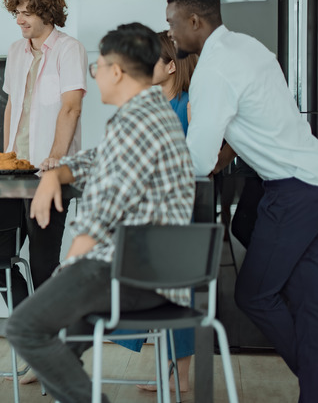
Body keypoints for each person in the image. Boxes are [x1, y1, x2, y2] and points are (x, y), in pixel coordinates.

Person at [5, 22, 195, 403]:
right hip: (152, 270)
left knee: (24, 327)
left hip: (127, 271)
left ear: (117, 71)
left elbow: (106, 210)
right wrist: (56, 172)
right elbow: (98, 159)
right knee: (62, 337)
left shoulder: (138, 123)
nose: (94, 77)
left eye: (98, 68)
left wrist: (70, 266)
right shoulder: (148, 113)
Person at [166, 0, 318, 402]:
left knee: (254, 293)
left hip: (294, 189)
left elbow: (198, 161)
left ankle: (317, 377)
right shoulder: (249, 47)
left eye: (172, 24)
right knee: (305, 292)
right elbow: (248, 126)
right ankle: (316, 389)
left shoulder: (211, 72)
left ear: (195, 21)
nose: (170, 34)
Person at [0, 0, 87, 330]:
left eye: (27, 13)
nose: (20, 20)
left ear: (48, 12)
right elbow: (13, 104)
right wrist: (6, 155)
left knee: (44, 266)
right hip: (16, 173)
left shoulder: (68, 49)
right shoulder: (17, 51)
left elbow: (71, 107)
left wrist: (55, 159)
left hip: (49, 175)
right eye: (17, 12)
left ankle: (50, 348)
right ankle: (36, 332)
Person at [111, 30, 198, 393]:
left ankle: (181, 374)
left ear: (171, 65)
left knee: (176, 290)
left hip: (178, 213)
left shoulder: (190, 104)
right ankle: (172, 371)